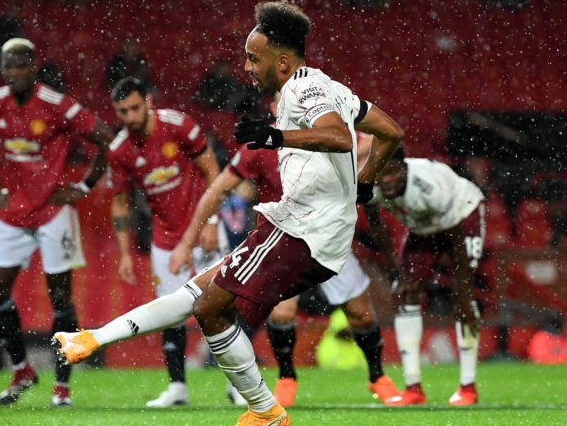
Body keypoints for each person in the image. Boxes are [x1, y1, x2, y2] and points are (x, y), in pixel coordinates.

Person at [55, 0, 404, 426]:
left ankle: (264, 409)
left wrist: (278, 136)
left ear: (281, 60)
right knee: (202, 290)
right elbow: (392, 131)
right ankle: (93, 338)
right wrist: (364, 183)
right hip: (297, 223)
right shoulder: (330, 86)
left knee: (210, 307)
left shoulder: (301, 89)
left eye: (254, 59)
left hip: (306, 229)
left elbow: (338, 136)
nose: (246, 67)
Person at [167, 134, 400, 408]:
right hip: (283, 241)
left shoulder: (328, 129)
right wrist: (195, 233)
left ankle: (377, 376)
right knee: (282, 312)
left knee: (361, 314)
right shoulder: (261, 147)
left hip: (329, 235)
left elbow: (378, 138)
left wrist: (360, 161)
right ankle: (286, 377)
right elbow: (218, 188)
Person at [0, 38, 113, 407]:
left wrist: (84, 186)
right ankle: (22, 370)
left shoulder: (57, 104)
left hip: (54, 213)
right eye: (9, 66)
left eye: (22, 65)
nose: (15, 72)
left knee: (60, 298)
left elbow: (105, 138)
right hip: (14, 212)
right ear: (2, 69)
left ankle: (62, 385)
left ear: (33, 68)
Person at [107, 76, 222, 407]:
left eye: (133, 108)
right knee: (169, 312)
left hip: (201, 231)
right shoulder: (120, 150)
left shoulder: (178, 126)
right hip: (164, 240)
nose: (129, 117)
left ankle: (235, 382)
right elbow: (119, 202)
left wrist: (212, 222)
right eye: (121, 111)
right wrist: (126, 254)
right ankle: (177, 388)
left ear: (148, 102)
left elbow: (212, 171)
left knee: (219, 304)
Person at [363, 146, 485, 407]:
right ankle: (413, 387)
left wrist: (462, 287)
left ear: (404, 167)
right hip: (423, 225)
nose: (385, 180)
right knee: (405, 292)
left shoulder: (430, 186)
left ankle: (468, 386)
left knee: (462, 298)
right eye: (381, 174)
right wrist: (398, 272)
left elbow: (454, 236)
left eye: (392, 172)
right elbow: (376, 226)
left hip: (463, 214)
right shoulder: (370, 182)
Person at [193, 59, 259, 113]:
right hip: (220, 106)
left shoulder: (231, 80)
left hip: (232, 104)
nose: (225, 69)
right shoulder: (209, 80)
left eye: (226, 67)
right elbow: (204, 97)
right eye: (223, 67)